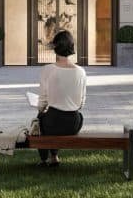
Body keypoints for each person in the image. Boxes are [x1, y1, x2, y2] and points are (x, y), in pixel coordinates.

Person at [36, 30, 87, 167]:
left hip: (53, 122)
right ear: (71, 47)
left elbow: (42, 102)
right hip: (74, 123)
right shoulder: (81, 72)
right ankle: (54, 157)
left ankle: (44, 159)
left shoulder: (47, 70)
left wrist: (41, 110)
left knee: (40, 118)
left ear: (55, 47)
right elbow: (81, 103)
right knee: (56, 117)